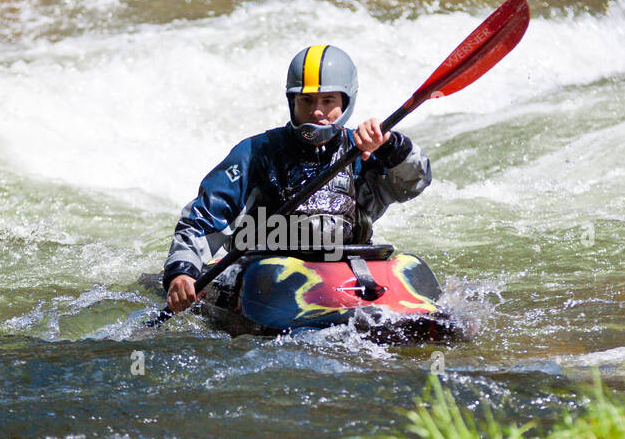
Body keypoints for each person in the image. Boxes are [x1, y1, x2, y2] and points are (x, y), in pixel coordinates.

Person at [164, 44, 432, 314]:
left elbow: (415, 182)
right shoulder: (256, 153)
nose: (317, 111)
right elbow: (202, 219)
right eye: (306, 100)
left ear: (346, 103)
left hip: (341, 275)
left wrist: (391, 145)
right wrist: (183, 272)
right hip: (266, 279)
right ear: (292, 102)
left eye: (328, 101)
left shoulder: (364, 152)